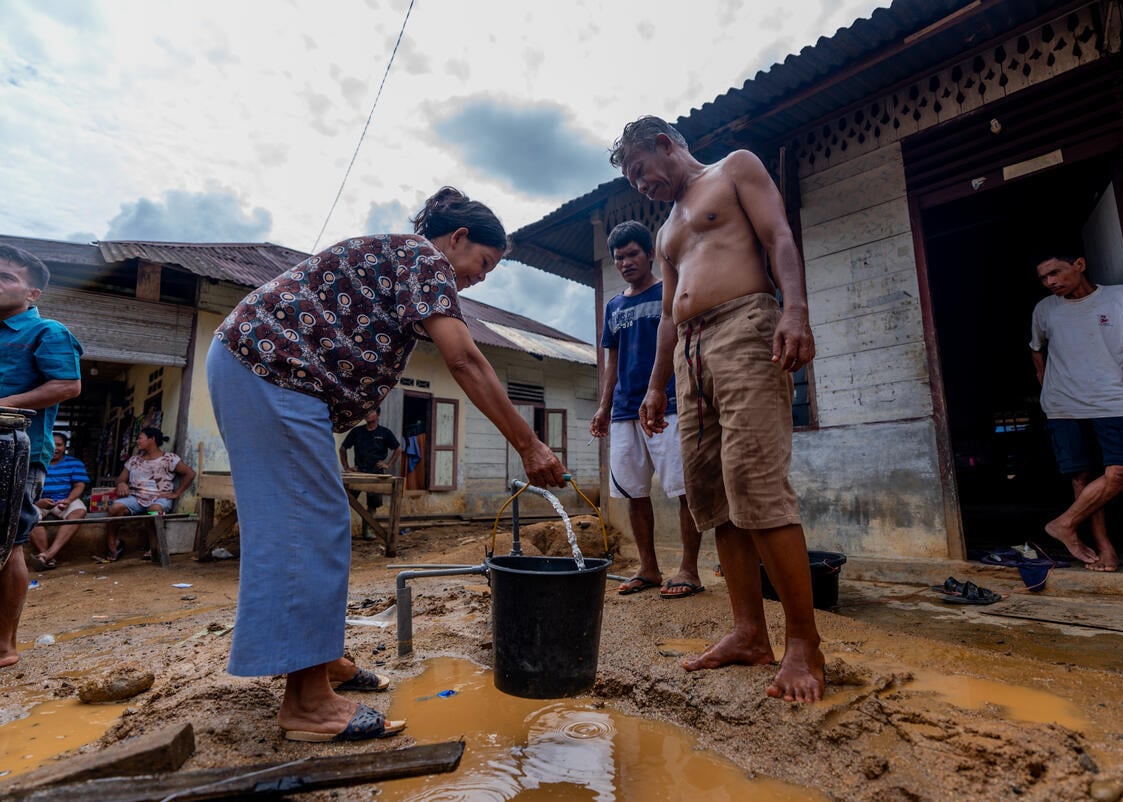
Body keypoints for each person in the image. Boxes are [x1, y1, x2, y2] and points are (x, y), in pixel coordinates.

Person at [207, 187, 568, 743]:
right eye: (484, 263)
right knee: (309, 525)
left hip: (266, 370)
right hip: (270, 367)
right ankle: (306, 704)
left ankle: (317, 658)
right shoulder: (426, 259)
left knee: (305, 522)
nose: (480, 276)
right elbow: (466, 360)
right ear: (458, 239)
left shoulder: (406, 262)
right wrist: (530, 445)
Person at [610, 116, 824, 702]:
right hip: (688, 352)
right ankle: (749, 633)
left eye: (639, 170)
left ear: (664, 145)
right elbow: (668, 317)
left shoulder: (736, 168)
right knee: (714, 497)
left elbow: (779, 236)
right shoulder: (666, 230)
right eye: (631, 180)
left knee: (756, 482)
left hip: (744, 325)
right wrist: (656, 386)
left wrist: (794, 310)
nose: (640, 184)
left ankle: (803, 644)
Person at [590, 220, 703, 599]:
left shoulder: (668, 293)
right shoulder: (613, 307)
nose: (625, 262)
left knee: (683, 488)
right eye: (618, 257)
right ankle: (649, 569)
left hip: (669, 404)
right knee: (634, 492)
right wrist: (604, 406)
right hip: (624, 410)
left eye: (632, 254)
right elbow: (612, 360)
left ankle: (688, 569)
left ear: (649, 254)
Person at [1030, 255, 1123, 573]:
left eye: (1055, 273)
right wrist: (1046, 386)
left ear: (1080, 264)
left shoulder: (1120, 296)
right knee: (1082, 476)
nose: (1050, 282)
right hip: (1063, 404)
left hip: (1113, 398)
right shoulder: (1045, 309)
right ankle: (1105, 549)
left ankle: (1064, 524)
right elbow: (1036, 349)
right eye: (1043, 278)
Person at [0, 245, 82, 669]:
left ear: (32, 294)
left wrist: (3, 403)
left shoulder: (47, 331)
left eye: (6, 277)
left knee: (8, 544)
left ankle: (5, 646)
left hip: (15, 453)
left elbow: (67, 385)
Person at [104, 427, 196, 561]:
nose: (137, 441)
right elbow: (121, 479)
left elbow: (190, 473)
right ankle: (113, 544)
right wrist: (122, 484)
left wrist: (177, 493)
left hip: (159, 499)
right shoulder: (135, 460)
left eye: (140, 438)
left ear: (152, 439)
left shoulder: (169, 458)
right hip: (136, 499)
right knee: (114, 508)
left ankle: (154, 547)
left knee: (154, 510)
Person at [29, 432, 90, 570]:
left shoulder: (74, 463)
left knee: (79, 512)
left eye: (59, 445)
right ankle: (46, 556)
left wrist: (68, 500)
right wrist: (37, 502)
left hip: (65, 499)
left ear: (65, 446)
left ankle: (48, 555)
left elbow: (79, 485)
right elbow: (26, 486)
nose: (56, 448)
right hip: (39, 501)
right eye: (52, 444)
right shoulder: (35, 463)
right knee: (28, 515)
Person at [339, 408, 400, 539]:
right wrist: (347, 467)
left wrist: (388, 464)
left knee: (373, 503)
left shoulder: (384, 432)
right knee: (347, 501)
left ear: (378, 415)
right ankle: (342, 533)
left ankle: (368, 531)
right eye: (366, 412)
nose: (367, 414)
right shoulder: (357, 432)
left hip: (377, 474)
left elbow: (398, 448)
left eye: (371, 412)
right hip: (359, 474)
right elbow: (343, 448)